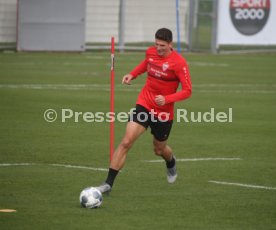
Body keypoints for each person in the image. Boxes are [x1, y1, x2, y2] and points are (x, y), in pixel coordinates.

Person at [96, 28, 192, 194]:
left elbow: (187, 90)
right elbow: (146, 64)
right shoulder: (151, 52)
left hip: (164, 112)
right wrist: (132, 74)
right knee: (126, 141)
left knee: (159, 149)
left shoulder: (179, 63)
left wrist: (167, 99)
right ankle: (108, 184)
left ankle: (170, 162)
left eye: (162, 45)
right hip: (145, 103)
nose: (158, 48)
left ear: (170, 44)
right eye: (156, 44)